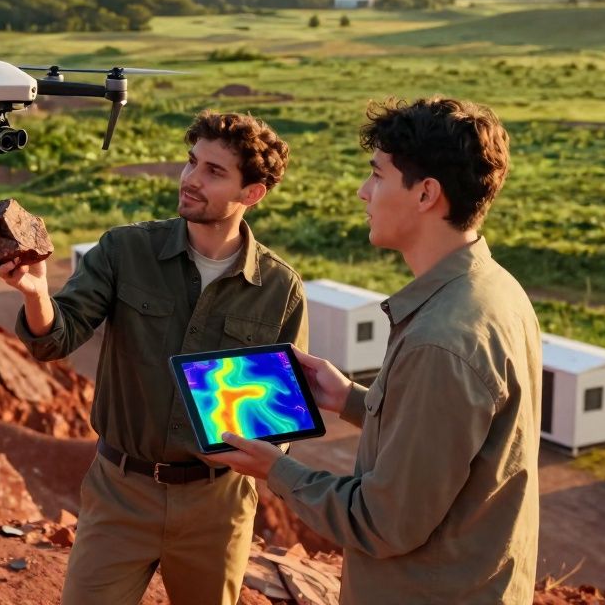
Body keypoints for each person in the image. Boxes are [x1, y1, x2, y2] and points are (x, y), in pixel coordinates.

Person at [214, 96, 542, 604]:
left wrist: (275, 469)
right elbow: (450, 442)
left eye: (378, 175)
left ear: (426, 194)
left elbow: (383, 523)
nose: (364, 192)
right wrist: (349, 398)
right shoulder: (496, 290)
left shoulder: (442, 340)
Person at [0, 111, 308, 605]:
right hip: (120, 491)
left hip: (216, 505)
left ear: (252, 194)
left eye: (213, 172)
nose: (191, 180)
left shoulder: (279, 289)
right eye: (191, 162)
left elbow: (282, 417)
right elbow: (56, 338)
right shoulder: (125, 250)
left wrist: (256, 452)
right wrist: (35, 294)